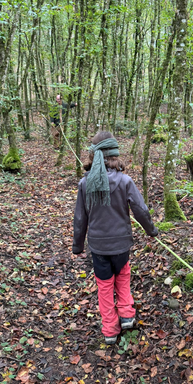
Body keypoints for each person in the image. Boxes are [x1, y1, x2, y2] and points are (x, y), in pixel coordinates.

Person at [72, 131, 158, 344]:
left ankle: (110, 329)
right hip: (121, 245)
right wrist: (152, 231)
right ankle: (127, 315)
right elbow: (140, 209)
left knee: (104, 286)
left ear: (94, 156)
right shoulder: (124, 180)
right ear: (115, 156)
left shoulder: (85, 184)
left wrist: (78, 246)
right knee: (122, 277)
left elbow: (79, 218)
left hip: (99, 248)